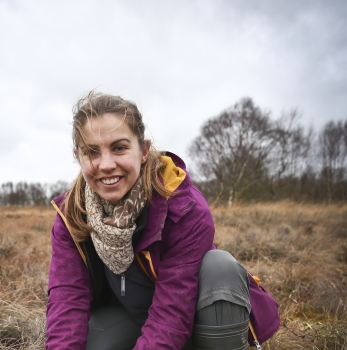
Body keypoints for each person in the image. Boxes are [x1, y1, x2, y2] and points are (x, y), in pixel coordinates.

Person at [46, 91, 279, 349]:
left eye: (120, 148)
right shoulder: (72, 215)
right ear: (78, 155)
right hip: (134, 320)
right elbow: (68, 299)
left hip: (191, 321)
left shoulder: (184, 206)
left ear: (144, 150)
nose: (106, 164)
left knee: (220, 266)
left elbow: (172, 311)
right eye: (92, 152)